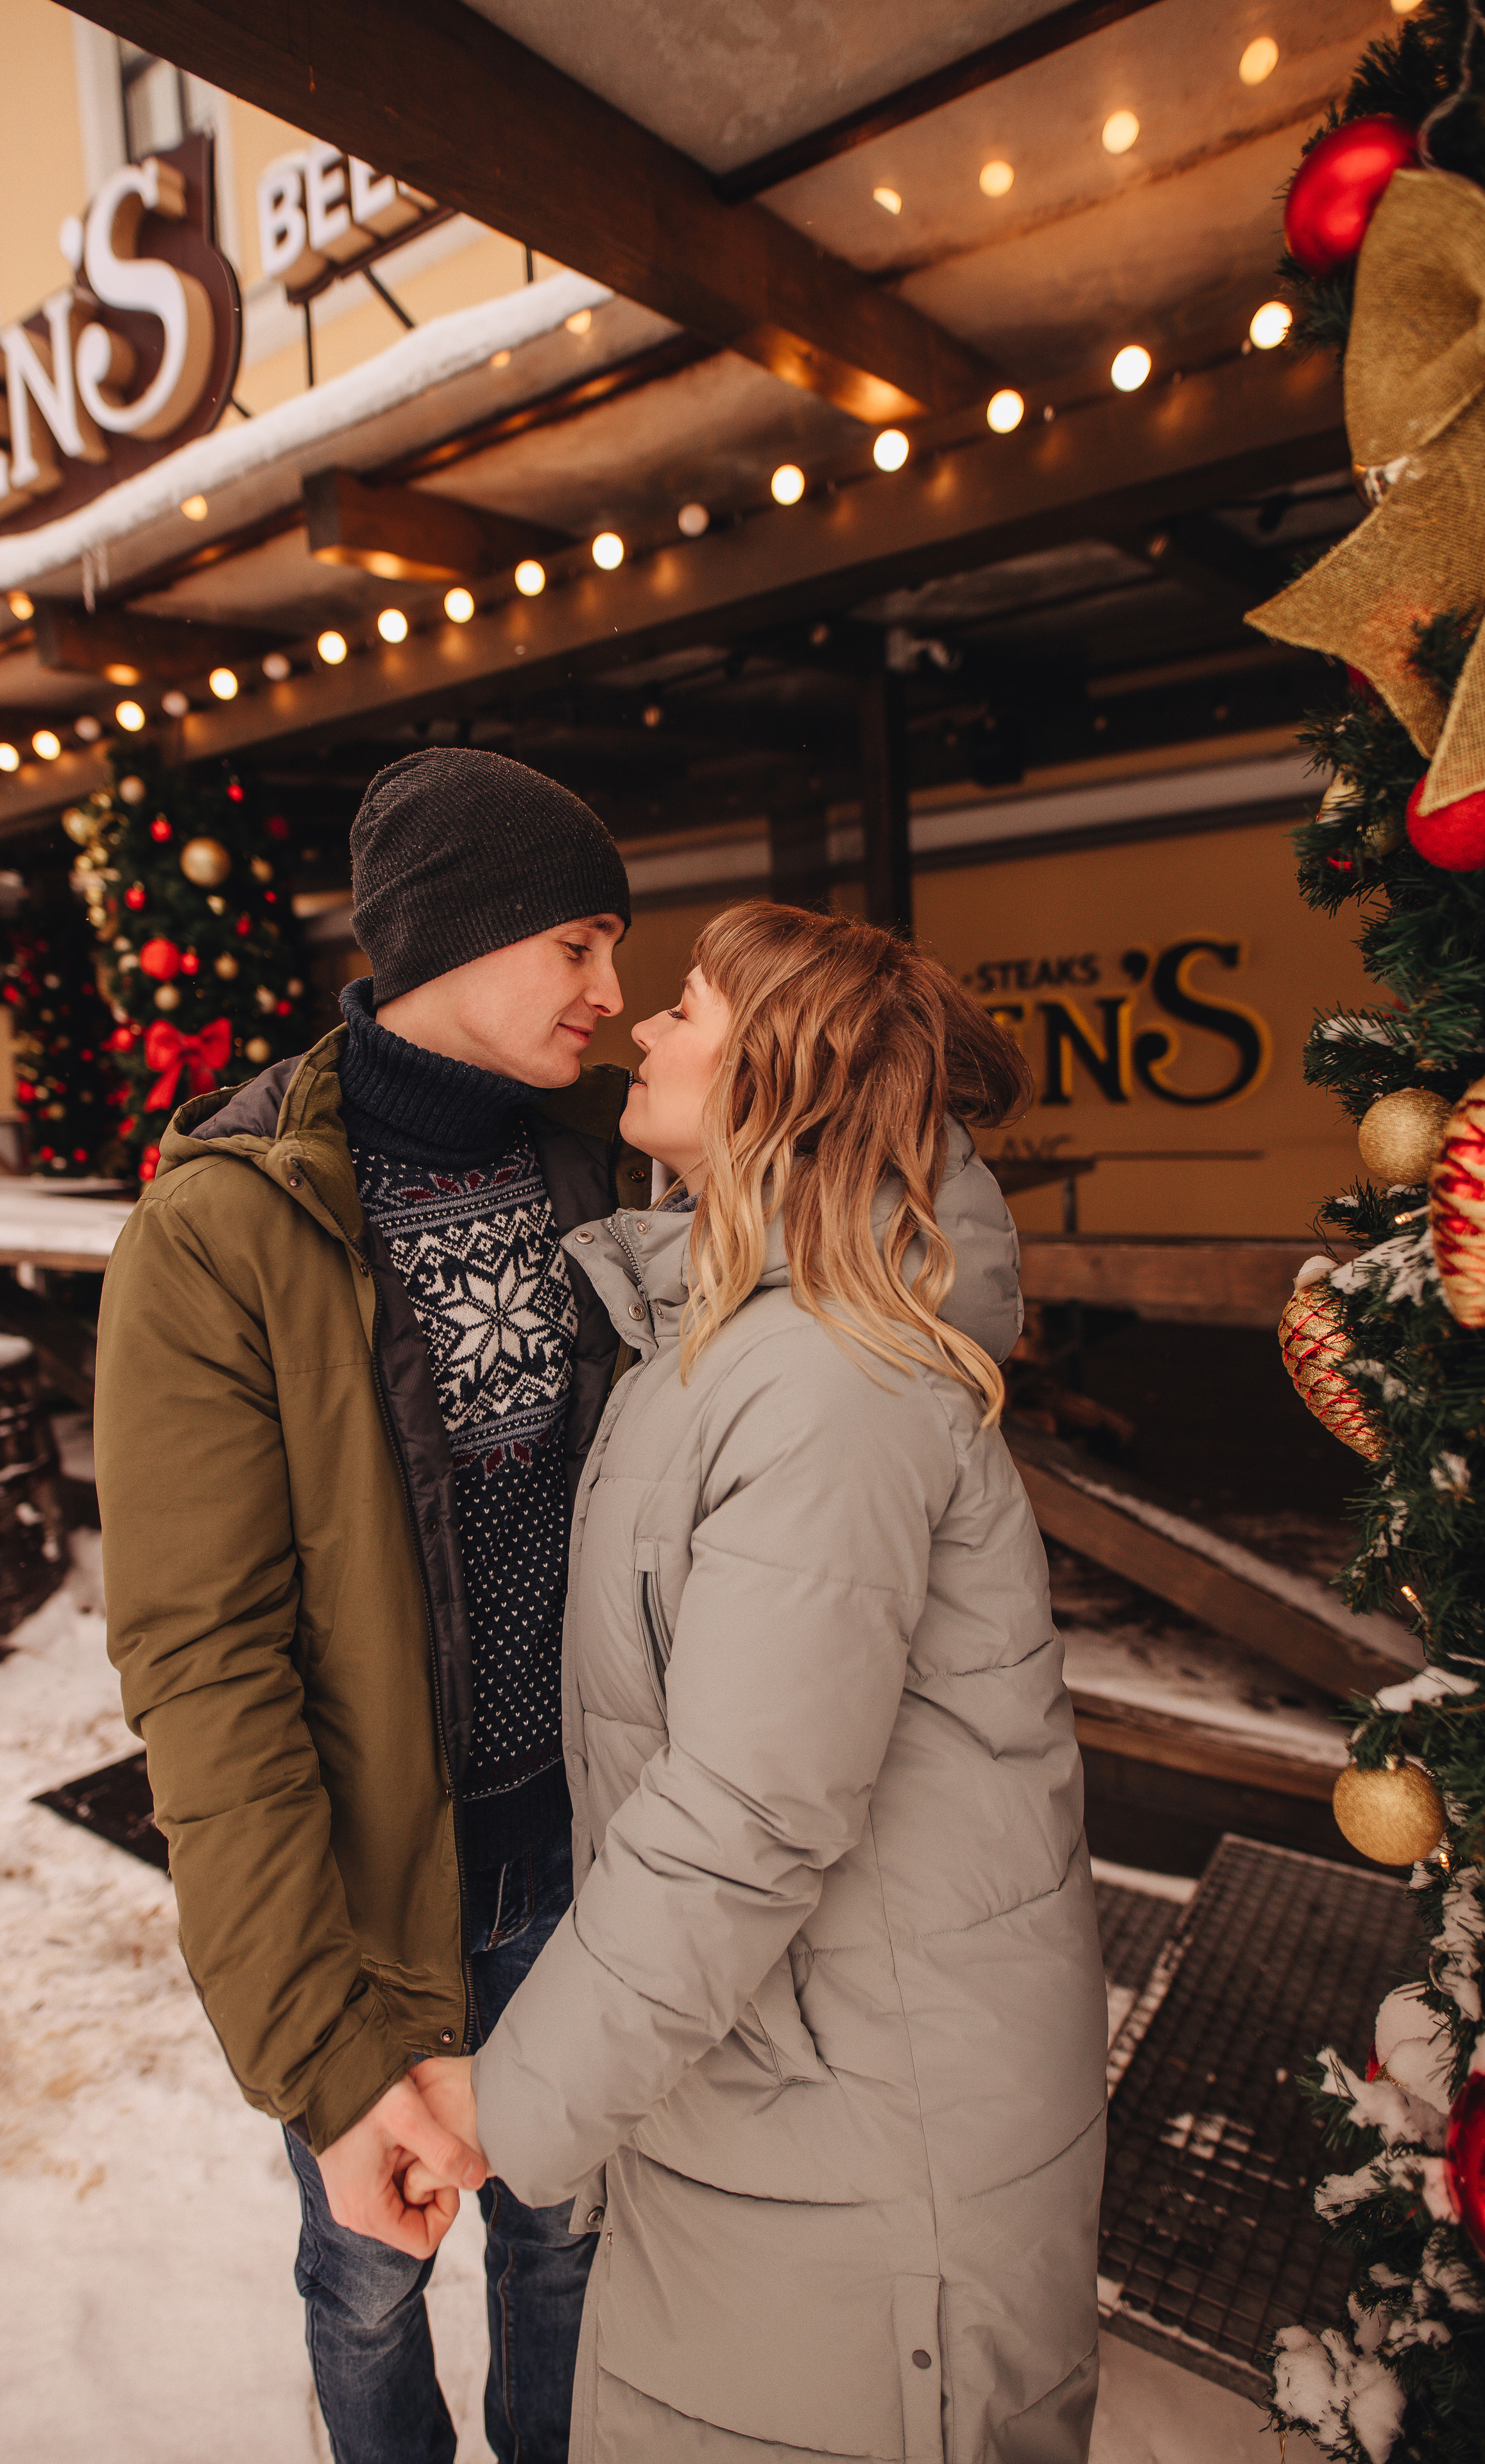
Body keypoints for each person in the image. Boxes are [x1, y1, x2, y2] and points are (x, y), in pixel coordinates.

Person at [404, 900, 1111, 2463]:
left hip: (866, 2152)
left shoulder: (826, 1388)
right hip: (783, 2102)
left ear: (776, 1082)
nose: (643, 1024)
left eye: (690, 1011)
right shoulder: (728, 1345)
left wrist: (497, 2113)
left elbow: (741, 1814)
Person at [95, 746, 651, 2464]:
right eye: (578, 945)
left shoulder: (614, 1167)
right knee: (367, 2275)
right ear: (461, 943)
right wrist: (321, 2049)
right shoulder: (224, 1229)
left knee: (567, 2251)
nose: (613, 992)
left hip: (587, 1861)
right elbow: (205, 1662)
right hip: (367, 1893)